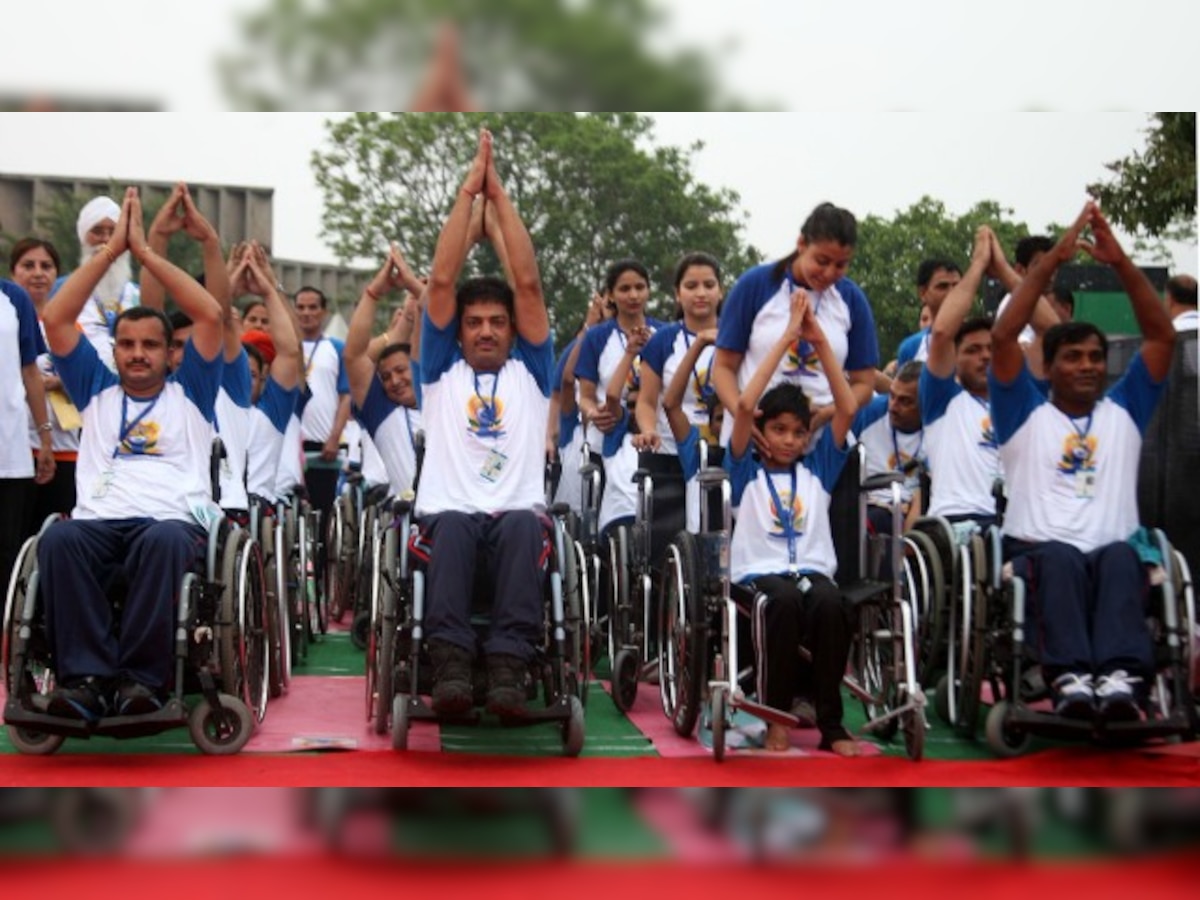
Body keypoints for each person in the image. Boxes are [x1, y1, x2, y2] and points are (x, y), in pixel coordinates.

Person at [37, 187, 224, 722]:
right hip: (99, 521)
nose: (138, 353)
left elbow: (210, 315)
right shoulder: (94, 387)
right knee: (59, 538)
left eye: (149, 345)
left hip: (168, 521)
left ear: (169, 353)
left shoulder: (191, 391)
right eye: (127, 344)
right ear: (113, 350)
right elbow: (56, 318)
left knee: (164, 540)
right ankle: (88, 680)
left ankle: (143, 681)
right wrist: (110, 252)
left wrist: (146, 255)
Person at [990, 202, 1175, 723]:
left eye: (1096, 357)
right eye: (1073, 357)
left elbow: (1161, 336)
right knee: (1063, 558)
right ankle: (1070, 676)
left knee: (1121, 557)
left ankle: (1121, 679)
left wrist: (1121, 264)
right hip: (1039, 554)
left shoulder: (1125, 411)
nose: (1088, 365)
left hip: (1110, 552)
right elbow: (1004, 336)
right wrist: (1049, 265)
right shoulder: (1023, 414)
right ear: (1048, 367)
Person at [417, 130, 553, 718]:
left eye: (498, 323)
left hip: (515, 520)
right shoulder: (439, 369)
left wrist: (499, 198)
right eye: (475, 323)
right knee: (451, 523)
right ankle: (448, 665)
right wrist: (468, 189)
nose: (487, 332)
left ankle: (506, 666)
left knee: (525, 522)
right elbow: (442, 282)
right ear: (461, 331)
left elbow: (527, 282)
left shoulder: (533, 370)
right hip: (450, 519)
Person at [727, 289, 860, 756]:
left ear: (808, 437)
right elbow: (744, 407)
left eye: (797, 432)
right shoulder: (747, 473)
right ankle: (776, 718)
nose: (787, 439)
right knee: (781, 604)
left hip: (812, 573)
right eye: (778, 429)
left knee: (831, 604)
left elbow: (846, 407)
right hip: (758, 577)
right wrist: (786, 337)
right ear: (764, 431)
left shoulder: (818, 470)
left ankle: (832, 725)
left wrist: (818, 339)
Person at [713, 202, 879, 450]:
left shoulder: (851, 299)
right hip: (755, 439)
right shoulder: (756, 285)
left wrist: (828, 413)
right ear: (801, 244)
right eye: (821, 261)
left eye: (841, 265)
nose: (829, 272)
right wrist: (742, 415)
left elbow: (864, 384)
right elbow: (723, 367)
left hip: (821, 447)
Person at [140, 183, 249, 519]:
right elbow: (149, 313)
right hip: (160, 506)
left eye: (191, 346)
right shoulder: (153, 388)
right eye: (174, 346)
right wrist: (157, 237)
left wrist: (209, 244)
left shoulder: (227, 382)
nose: (182, 354)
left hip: (222, 506)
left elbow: (219, 315)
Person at [575, 259, 668, 533]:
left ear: (649, 290)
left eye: (640, 287)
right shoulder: (597, 337)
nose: (633, 295)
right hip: (607, 435)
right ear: (612, 294)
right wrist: (593, 413)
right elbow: (586, 395)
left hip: (653, 434)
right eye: (625, 289)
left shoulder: (664, 333)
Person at [345, 248, 427, 499]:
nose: (395, 381)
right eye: (387, 376)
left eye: (401, 371)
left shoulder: (448, 399)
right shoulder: (383, 412)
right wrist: (373, 293)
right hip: (410, 518)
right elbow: (354, 356)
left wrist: (419, 294)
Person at [10, 238, 76, 526]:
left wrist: (60, 383)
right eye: (28, 265)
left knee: (54, 535)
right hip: (17, 448)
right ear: (13, 273)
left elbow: (99, 384)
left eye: (46, 266)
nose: (38, 273)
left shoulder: (72, 327)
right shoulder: (6, 321)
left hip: (66, 446)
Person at [1, 269, 54, 592]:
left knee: (7, 548)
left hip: (9, 450)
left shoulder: (13, 298)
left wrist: (45, 435)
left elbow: (30, 371)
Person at [853, 360, 926, 542]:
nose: (893, 406)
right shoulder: (871, 412)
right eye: (892, 396)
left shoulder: (938, 428)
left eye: (905, 401)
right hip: (870, 502)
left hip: (913, 509)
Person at [295, 284, 351, 521]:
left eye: (313, 307)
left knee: (321, 511)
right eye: (300, 307)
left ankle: (320, 557)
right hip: (289, 443)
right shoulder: (284, 347)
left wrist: (334, 437)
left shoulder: (337, 348)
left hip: (322, 445)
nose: (306, 312)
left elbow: (345, 395)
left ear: (324, 312)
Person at [71, 195, 142, 370]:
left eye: (114, 232)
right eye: (97, 231)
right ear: (83, 237)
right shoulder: (65, 291)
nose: (106, 239)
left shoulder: (139, 295)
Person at [895, 259, 963, 366]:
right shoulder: (912, 348)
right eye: (942, 286)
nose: (951, 293)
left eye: (956, 286)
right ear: (923, 293)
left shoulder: (981, 341)